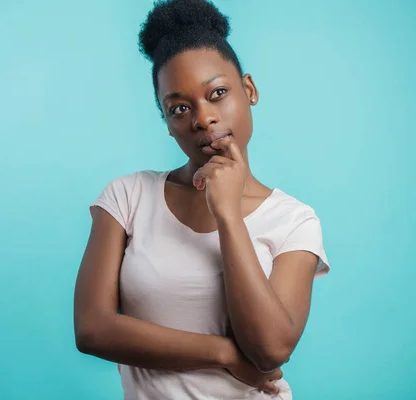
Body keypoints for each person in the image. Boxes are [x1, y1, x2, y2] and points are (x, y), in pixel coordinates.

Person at [73, 0, 330, 398]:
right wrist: (224, 354)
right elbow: (93, 328)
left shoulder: (294, 220)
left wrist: (228, 215)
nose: (203, 118)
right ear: (167, 122)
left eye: (219, 93)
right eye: (179, 108)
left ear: (249, 90)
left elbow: (271, 350)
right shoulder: (128, 197)